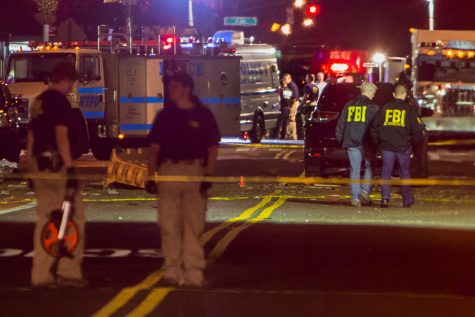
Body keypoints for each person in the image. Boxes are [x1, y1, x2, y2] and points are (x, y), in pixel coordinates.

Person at [147, 72, 220, 287]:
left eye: (175, 85)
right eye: (170, 85)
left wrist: (208, 174)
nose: (171, 89)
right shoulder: (165, 116)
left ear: (187, 88)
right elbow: (153, 149)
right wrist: (151, 176)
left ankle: (194, 272)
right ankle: (171, 271)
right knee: (169, 225)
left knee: (194, 225)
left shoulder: (203, 115)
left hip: (194, 170)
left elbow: (212, 148)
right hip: (170, 170)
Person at [26, 62, 87, 289]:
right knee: (74, 216)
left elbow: (31, 134)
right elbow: (61, 135)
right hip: (54, 166)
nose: (72, 87)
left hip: (38, 164)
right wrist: (70, 167)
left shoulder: (39, 101)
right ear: (67, 80)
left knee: (47, 216)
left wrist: (29, 165)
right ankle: (68, 271)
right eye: (72, 83)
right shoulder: (60, 102)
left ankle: (41, 274)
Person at [371, 85, 424, 208]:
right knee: (404, 172)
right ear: (405, 95)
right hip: (404, 146)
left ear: (394, 95)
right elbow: (417, 130)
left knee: (386, 171)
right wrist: (415, 144)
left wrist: (377, 141)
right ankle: (407, 201)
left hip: (386, 146)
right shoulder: (409, 110)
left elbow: (374, 127)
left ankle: (384, 198)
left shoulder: (384, 108)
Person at [335, 81, 379, 207]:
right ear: (369, 92)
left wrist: (340, 138)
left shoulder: (349, 105)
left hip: (351, 141)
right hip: (367, 142)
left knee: (355, 169)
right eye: (373, 93)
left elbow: (341, 124)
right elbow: (376, 127)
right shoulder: (373, 107)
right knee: (370, 166)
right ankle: (365, 191)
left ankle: (355, 198)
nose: (374, 95)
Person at [275, 74, 299, 139]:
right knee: (285, 122)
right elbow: (290, 97)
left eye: (284, 79)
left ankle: (278, 136)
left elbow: (280, 99)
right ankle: (284, 136)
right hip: (288, 107)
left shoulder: (282, 89)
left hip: (285, 107)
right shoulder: (289, 90)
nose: (283, 80)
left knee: (280, 122)